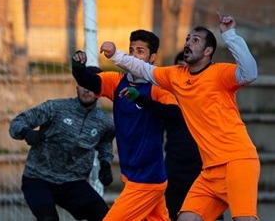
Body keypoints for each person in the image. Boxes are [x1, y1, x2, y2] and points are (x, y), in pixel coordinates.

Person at [100, 13, 259, 221]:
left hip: (237, 160)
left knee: (243, 219)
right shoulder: (176, 75)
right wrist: (115, 55)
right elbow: (144, 69)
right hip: (210, 169)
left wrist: (230, 35)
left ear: (208, 50)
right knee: (186, 218)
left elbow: (250, 73)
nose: (188, 43)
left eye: (195, 40)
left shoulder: (221, 74)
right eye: (187, 39)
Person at [72, 29, 177, 221]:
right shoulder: (117, 81)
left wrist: (142, 100)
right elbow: (90, 81)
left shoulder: (158, 89)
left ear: (152, 57)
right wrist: (78, 68)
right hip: (133, 175)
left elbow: (173, 114)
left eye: (140, 51)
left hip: (146, 179)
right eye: (131, 50)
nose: (134, 55)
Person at [123, 52, 223, 221]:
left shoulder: (211, 98)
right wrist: (140, 98)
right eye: (179, 70)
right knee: (173, 214)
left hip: (205, 168)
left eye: (187, 70)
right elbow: (158, 113)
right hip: (174, 170)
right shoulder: (168, 100)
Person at [8, 68, 115, 221]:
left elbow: (105, 143)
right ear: (77, 86)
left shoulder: (105, 122)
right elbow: (17, 122)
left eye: (92, 85)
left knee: (105, 216)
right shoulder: (55, 108)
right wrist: (26, 132)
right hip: (38, 178)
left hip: (73, 182)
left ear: (102, 90)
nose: (87, 89)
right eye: (84, 84)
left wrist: (106, 164)